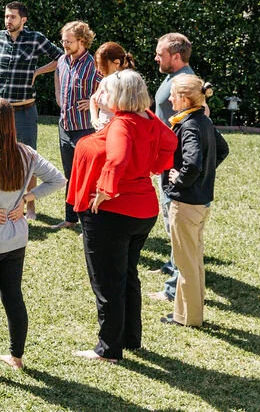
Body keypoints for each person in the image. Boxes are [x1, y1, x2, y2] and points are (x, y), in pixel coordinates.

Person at [67, 70, 177, 362]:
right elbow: (170, 142)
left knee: (106, 282)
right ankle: (130, 338)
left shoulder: (122, 124)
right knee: (127, 276)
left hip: (113, 212)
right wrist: (152, 165)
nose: (100, 95)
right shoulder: (147, 117)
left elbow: (117, 157)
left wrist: (104, 190)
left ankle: (108, 349)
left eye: (104, 91)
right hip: (142, 210)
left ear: (119, 95)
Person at [0, 97, 66, 378]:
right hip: (16, 240)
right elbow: (58, 179)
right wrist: (28, 198)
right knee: (13, 297)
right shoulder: (26, 153)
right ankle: (16, 358)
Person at [158, 75, 229, 327]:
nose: (169, 99)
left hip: (186, 203)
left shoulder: (188, 125)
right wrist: (204, 174)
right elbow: (222, 149)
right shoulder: (203, 120)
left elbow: (192, 162)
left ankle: (190, 318)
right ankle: (183, 313)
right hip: (200, 201)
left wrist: (181, 179)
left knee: (186, 263)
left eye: (173, 95)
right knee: (193, 260)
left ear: (185, 99)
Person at [0, 1, 61, 219]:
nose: (8, 21)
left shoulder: (35, 38)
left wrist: (38, 72)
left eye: (13, 17)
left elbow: (59, 57)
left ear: (23, 20)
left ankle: (30, 207)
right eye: (6, 16)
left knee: (28, 158)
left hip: (24, 109)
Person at [151, 32, 196, 290]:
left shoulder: (186, 83)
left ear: (176, 57)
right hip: (165, 158)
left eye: (161, 54)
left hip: (175, 163)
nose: (156, 57)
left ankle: (173, 287)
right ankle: (172, 264)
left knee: (175, 221)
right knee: (170, 218)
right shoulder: (172, 77)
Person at [51, 21, 102, 231]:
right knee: (69, 174)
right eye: (63, 40)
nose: (65, 44)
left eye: (69, 41)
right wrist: (58, 97)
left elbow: (110, 84)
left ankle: (89, 223)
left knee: (88, 177)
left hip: (85, 128)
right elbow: (57, 76)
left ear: (82, 41)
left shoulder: (94, 64)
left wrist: (94, 100)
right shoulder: (62, 60)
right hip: (65, 125)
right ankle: (70, 218)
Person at [89, 42, 135, 130]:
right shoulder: (104, 81)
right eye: (97, 64)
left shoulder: (129, 83)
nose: (98, 69)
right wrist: (94, 119)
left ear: (117, 63)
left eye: (102, 64)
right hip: (101, 132)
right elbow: (93, 99)